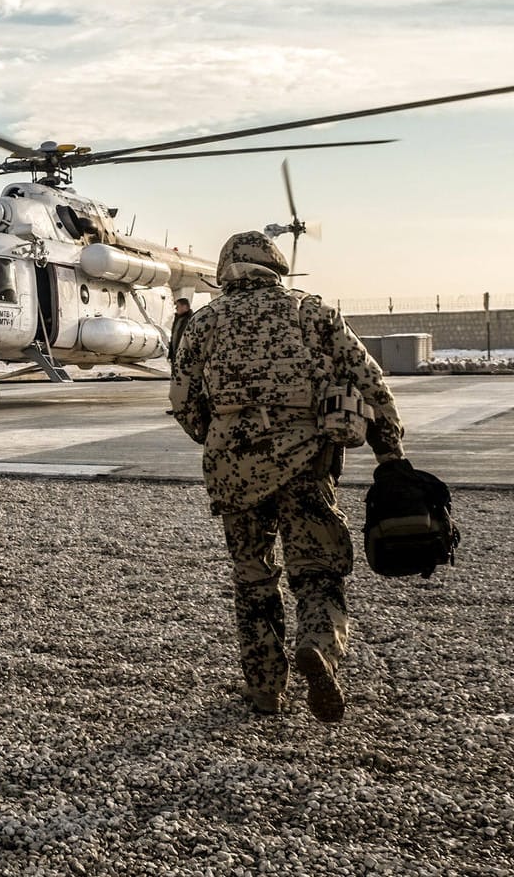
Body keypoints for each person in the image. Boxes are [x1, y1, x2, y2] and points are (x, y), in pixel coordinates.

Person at [168, 231, 405, 722]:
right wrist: (391, 453)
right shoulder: (311, 313)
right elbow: (369, 380)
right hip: (306, 465)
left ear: (225, 271)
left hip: (232, 470)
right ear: (275, 268)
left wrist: (219, 437)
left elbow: (184, 402)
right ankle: (319, 646)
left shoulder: (203, 323)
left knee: (253, 578)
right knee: (317, 570)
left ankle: (264, 690)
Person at [168, 297, 194, 366]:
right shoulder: (178, 319)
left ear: (185, 307)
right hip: (175, 355)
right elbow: (174, 336)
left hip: (184, 356)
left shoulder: (191, 320)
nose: (176, 308)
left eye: (178, 306)